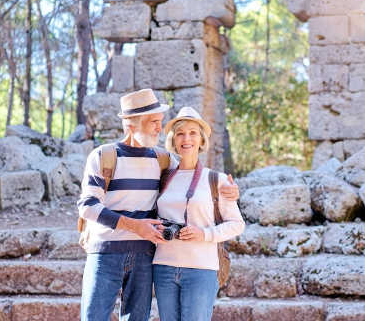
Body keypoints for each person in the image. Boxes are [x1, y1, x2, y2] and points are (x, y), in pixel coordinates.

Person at [77, 89, 239, 321]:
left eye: (160, 122)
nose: (159, 128)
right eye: (153, 122)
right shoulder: (103, 156)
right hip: (105, 253)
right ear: (132, 126)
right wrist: (135, 226)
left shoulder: (163, 160)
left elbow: (192, 173)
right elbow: (88, 205)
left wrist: (231, 192)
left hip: (144, 256)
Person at [153, 107, 245, 321]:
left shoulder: (216, 180)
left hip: (201, 270)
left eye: (193, 133)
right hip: (163, 268)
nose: (186, 138)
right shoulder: (163, 178)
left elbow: (237, 224)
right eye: (180, 133)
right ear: (173, 140)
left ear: (202, 140)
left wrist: (203, 234)